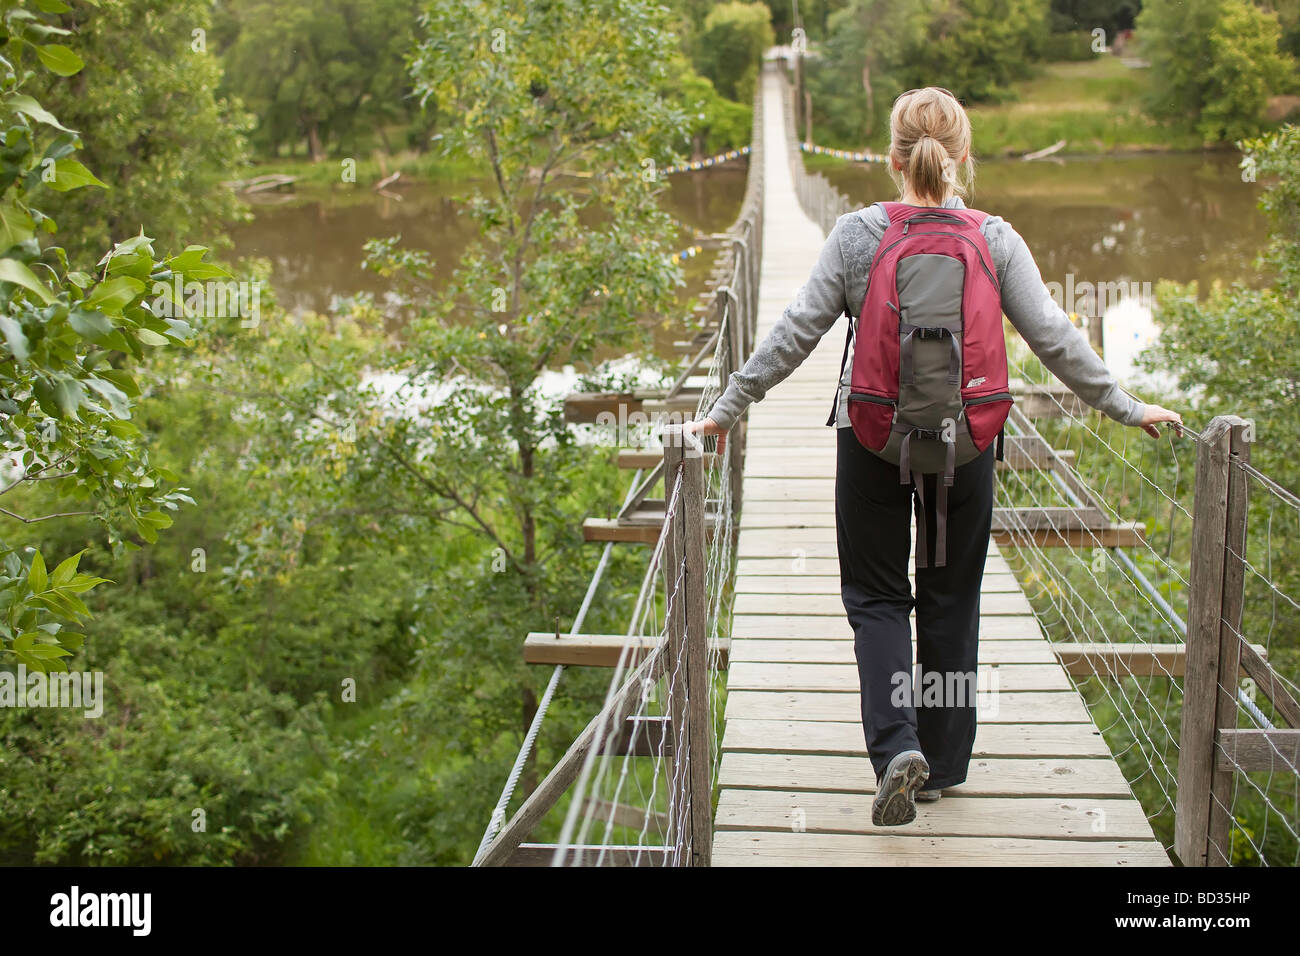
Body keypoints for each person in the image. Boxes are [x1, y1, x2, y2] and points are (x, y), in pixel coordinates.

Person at [683, 86, 1182, 827]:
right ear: (964, 155)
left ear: (892, 157)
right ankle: (943, 764)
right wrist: (1127, 405)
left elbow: (794, 330)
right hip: (967, 446)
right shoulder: (996, 239)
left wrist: (725, 409)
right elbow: (1053, 338)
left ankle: (894, 749)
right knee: (951, 597)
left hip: (873, 438)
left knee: (879, 599)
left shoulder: (856, 236)